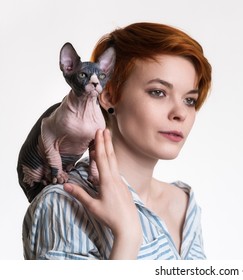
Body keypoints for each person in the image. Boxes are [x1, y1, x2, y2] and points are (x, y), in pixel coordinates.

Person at [22, 22, 212, 260]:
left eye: (189, 100)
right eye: (158, 92)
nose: (180, 113)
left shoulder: (184, 204)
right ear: (108, 95)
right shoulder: (63, 202)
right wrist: (128, 236)